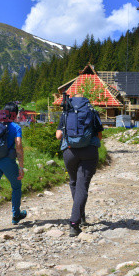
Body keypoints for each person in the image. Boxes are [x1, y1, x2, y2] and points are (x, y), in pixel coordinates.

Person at [55, 93, 103, 237]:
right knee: (82, 186)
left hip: (69, 152)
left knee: (74, 182)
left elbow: (58, 135)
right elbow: (99, 136)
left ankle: (80, 216)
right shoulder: (92, 112)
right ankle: (75, 223)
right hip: (89, 152)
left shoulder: (66, 113)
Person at [0, 102, 27, 234]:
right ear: (15, 114)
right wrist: (21, 166)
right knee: (16, 186)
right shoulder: (15, 127)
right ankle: (16, 215)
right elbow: (18, 146)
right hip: (7, 161)